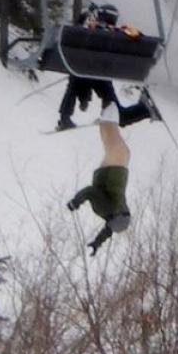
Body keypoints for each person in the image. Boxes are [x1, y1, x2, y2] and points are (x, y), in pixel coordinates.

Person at [57, 3, 147, 131]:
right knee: (116, 110)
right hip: (102, 76)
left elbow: (74, 31)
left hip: (81, 72)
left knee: (76, 78)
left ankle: (65, 116)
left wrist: (85, 16)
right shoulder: (119, 33)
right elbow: (139, 37)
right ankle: (142, 110)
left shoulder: (88, 30)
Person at [67, 102, 134, 255]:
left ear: (115, 216)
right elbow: (108, 231)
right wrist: (97, 243)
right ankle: (107, 118)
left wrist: (75, 202)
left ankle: (108, 110)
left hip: (109, 174)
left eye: (122, 214)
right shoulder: (116, 213)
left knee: (119, 150)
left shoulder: (107, 209)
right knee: (120, 150)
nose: (124, 210)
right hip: (116, 172)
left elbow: (91, 191)